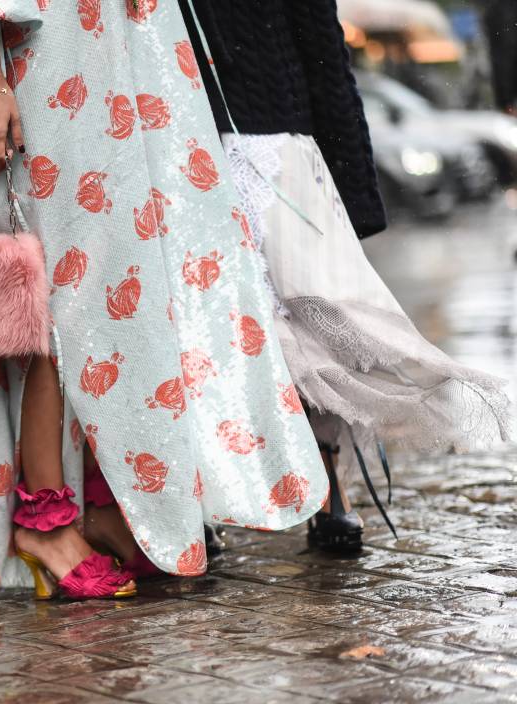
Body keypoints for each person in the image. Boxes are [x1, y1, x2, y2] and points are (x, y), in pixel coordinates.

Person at [0, 0, 331, 599]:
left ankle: (103, 507)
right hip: (36, 73)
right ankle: (43, 523)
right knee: (59, 300)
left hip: (118, 73)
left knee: (124, 292)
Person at [177, 0, 512, 552]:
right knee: (205, 330)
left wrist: (354, 196)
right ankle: (204, 495)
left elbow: (327, 61)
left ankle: (330, 484)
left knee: (313, 325)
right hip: (183, 150)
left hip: (279, 150)